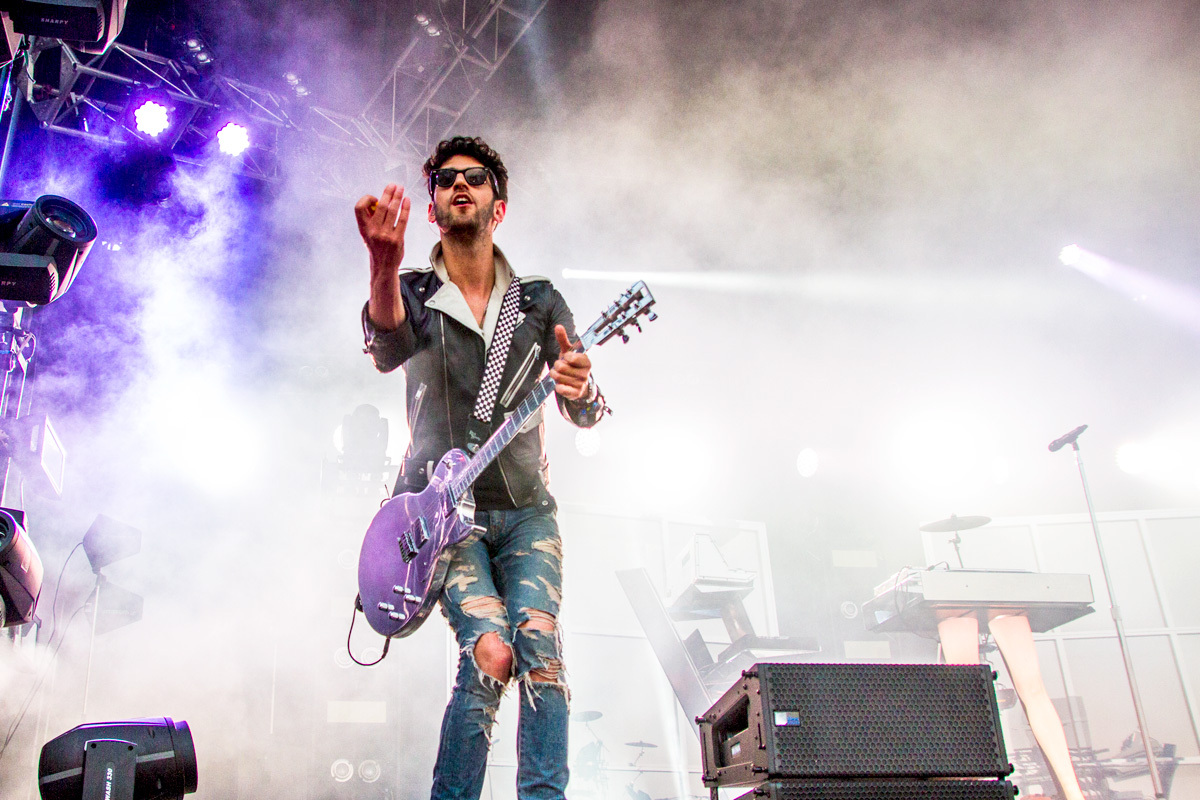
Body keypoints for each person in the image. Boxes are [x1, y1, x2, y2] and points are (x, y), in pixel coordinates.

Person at [354, 136, 606, 800]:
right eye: (445, 179)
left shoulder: (539, 302)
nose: (459, 184)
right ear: (432, 208)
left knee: (540, 652)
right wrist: (383, 263)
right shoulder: (412, 290)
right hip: (440, 516)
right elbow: (386, 349)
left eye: (476, 177)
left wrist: (580, 385)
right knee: (492, 652)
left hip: (526, 512)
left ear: (500, 206)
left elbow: (585, 409)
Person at [939, 613, 1086, 800]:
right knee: (974, 694)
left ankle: (1073, 792)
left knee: (974, 694)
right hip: (969, 607)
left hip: (969, 608)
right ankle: (1073, 792)